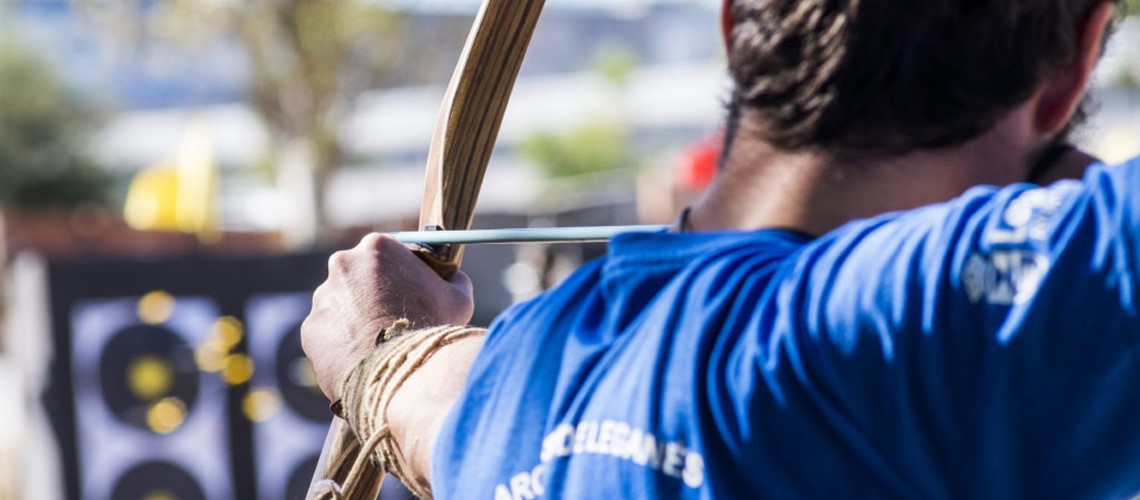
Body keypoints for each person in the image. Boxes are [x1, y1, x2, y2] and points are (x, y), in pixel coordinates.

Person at [302, 0, 1140, 497]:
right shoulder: (932, 329)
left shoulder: (531, 380)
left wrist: (389, 352)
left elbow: (429, 398)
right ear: (1068, 71)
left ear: (735, 27)